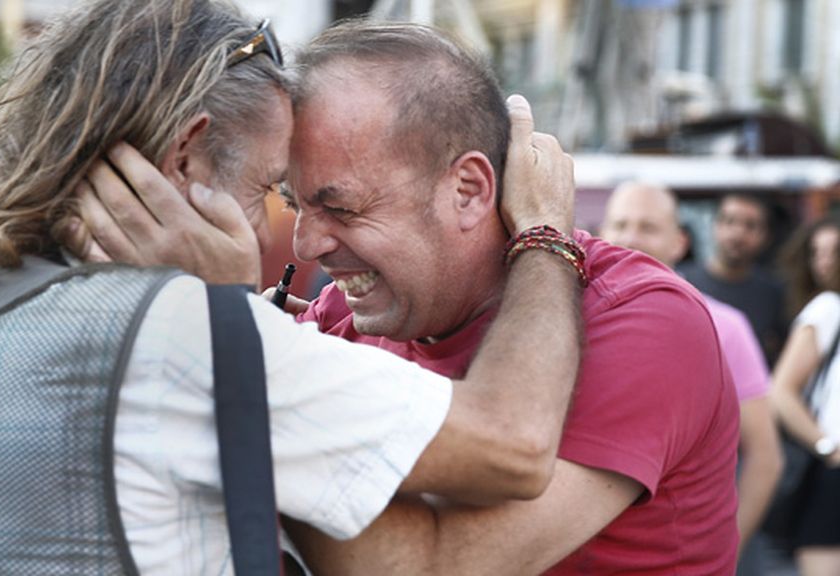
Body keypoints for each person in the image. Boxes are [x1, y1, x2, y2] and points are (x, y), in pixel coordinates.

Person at [0, 1, 583, 575]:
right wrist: (545, 231)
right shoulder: (181, 330)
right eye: (266, 188)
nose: (273, 231)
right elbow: (512, 446)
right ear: (186, 159)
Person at [85, 20, 740, 574]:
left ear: (469, 190)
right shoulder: (348, 311)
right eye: (293, 203)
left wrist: (228, 344)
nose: (307, 246)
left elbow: (439, 564)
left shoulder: (645, 324)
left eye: (339, 206)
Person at [600, 180, 783, 573]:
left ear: (679, 242)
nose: (630, 237)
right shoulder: (571, 319)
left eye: (648, 227)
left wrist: (724, 549)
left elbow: (765, 457)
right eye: (619, 224)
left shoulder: (724, 326)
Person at [771, 216, 840, 576]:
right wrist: (828, 447)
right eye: (816, 252)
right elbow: (781, 392)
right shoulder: (827, 307)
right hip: (832, 476)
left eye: (834, 251)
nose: (823, 261)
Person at [679, 193, 788, 366]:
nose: (738, 233)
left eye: (750, 226)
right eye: (730, 221)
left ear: (765, 236)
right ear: (715, 226)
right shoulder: (682, 282)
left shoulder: (775, 294)